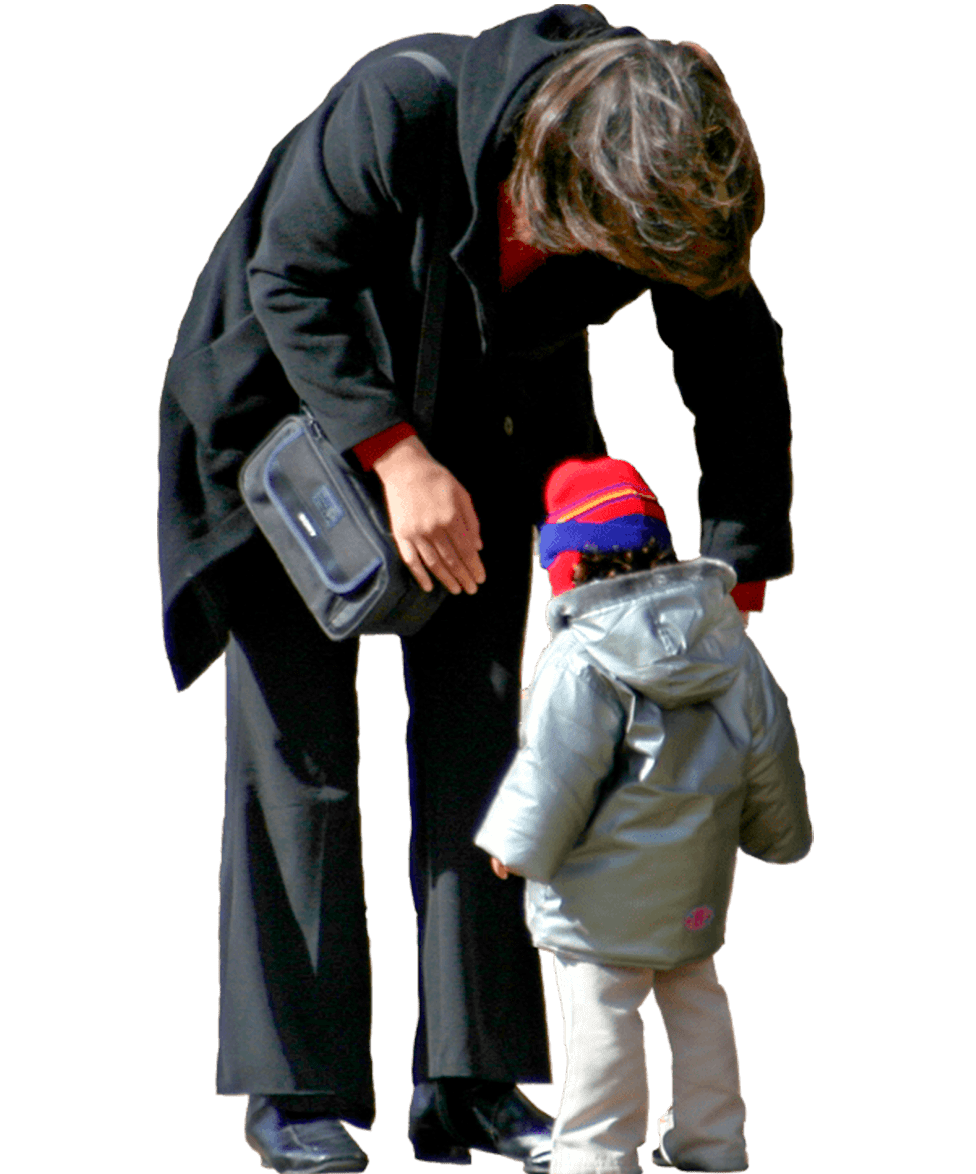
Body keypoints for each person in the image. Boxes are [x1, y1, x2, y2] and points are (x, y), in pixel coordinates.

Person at [157, 6, 794, 1172]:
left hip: (484, 421)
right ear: (567, 172)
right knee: (301, 761)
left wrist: (735, 570)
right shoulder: (401, 103)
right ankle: (296, 1093)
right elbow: (289, 274)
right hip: (286, 429)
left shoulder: (663, 169)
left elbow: (733, 355)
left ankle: (470, 1081)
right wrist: (395, 456)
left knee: (494, 743)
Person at [475, 455, 813, 1174]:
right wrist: (777, 835)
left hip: (596, 895)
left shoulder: (580, 657)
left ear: (567, 568)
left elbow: (556, 767)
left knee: (602, 1013)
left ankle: (597, 1152)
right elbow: (770, 747)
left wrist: (516, 843)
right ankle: (712, 1142)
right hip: (693, 884)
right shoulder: (729, 644)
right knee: (698, 1005)